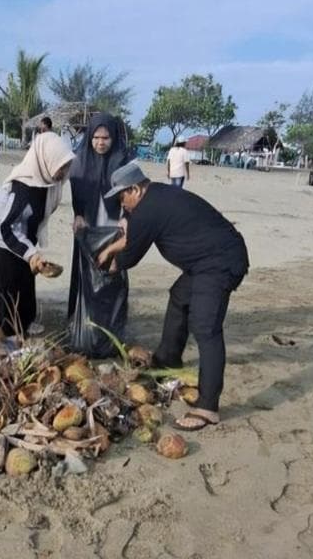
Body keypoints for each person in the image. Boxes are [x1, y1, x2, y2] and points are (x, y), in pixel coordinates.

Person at [95, 161, 249, 432]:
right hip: (205, 261)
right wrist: (111, 246)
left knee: (205, 327)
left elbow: (129, 256)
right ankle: (168, 358)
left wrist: (104, 263)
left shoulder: (148, 209)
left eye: (122, 198)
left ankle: (208, 407)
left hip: (220, 262)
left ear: (134, 190)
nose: (123, 205)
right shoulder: (155, 197)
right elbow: (131, 231)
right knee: (180, 296)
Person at [0, 132, 74, 335]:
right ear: (46, 160)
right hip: (1, 236)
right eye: (60, 166)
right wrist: (30, 254)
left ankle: (20, 325)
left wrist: (31, 252)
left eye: (65, 166)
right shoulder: (25, 187)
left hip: (20, 233)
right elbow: (8, 227)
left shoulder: (45, 181)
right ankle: (3, 332)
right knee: (7, 286)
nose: (63, 172)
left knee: (24, 280)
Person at [69, 113, 133, 316]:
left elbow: (133, 193)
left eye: (105, 138)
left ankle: (110, 314)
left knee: (111, 267)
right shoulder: (80, 159)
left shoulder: (123, 160)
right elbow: (76, 190)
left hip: (114, 224)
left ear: (113, 137)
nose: (100, 142)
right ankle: (82, 314)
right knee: (86, 268)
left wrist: (126, 217)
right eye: (95, 138)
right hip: (88, 223)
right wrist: (78, 214)